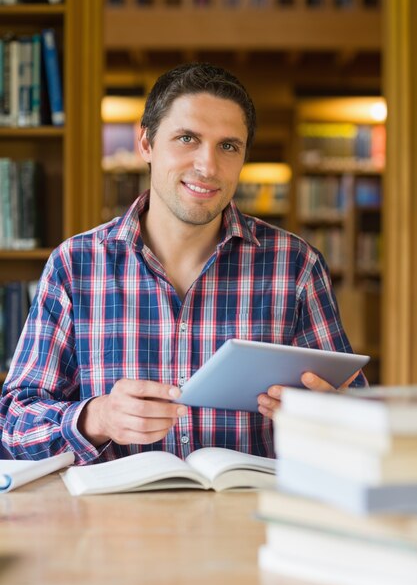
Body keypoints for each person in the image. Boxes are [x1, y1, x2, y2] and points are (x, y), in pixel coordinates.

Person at [0, 63, 366, 463]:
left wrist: (331, 418)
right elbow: (13, 426)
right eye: (187, 138)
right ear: (146, 143)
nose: (208, 166)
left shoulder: (295, 266)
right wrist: (96, 417)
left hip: (250, 520)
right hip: (113, 522)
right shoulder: (75, 266)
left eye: (228, 146)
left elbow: (362, 423)